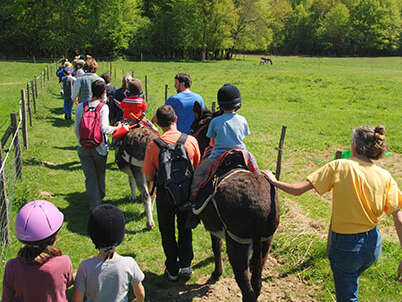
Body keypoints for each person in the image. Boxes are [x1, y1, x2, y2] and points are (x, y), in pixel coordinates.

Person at [262, 125, 402, 302]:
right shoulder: (385, 175)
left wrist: (274, 181)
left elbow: (298, 190)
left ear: (354, 145)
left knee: (347, 293)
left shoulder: (339, 166)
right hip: (373, 246)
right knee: (351, 278)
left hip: (346, 245)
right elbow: (398, 216)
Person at [143, 105, 201, 281]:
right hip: (186, 194)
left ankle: (172, 270)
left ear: (159, 124)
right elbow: (197, 167)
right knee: (185, 229)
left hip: (165, 194)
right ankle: (185, 265)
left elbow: (148, 173)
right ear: (175, 119)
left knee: (167, 231)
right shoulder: (190, 141)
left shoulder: (154, 145)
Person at [2, 200, 73, 302]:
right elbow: (68, 284)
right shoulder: (64, 262)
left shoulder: (12, 266)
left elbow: (6, 299)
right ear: (54, 237)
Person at [73, 204, 145, 302]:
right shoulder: (129, 263)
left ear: (92, 235)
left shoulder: (85, 267)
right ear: (120, 235)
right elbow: (140, 294)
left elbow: (77, 300)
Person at [191, 83, 250, 197]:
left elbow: (212, 143)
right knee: (256, 170)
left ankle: (193, 198)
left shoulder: (215, 121)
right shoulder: (243, 119)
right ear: (238, 103)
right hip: (241, 154)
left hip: (218, 155)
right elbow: (243, 136)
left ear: (220, 104)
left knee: (198, 174)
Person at [74, 80, 122, 210]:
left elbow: (76, 128)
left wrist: (82, 140)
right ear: (104, 93)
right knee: (100, 174)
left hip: (83, 147)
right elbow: (104, 128)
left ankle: (95, 202)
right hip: (99, 148)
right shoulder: (103, 107)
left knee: (90, 177)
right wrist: (117, 128)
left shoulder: (80, 107)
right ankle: (98, 202)